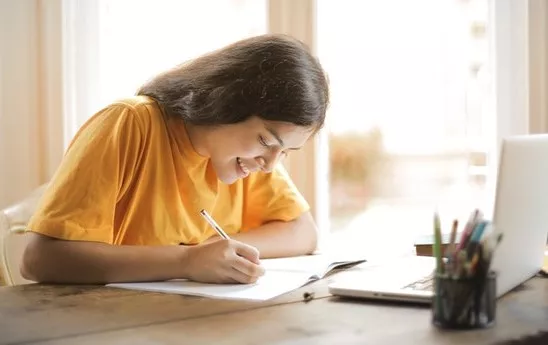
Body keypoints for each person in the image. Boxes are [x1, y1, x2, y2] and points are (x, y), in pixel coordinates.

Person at [21, 34, 329, 285]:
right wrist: (187, 261)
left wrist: (218, 251)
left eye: (285, 152)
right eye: (265, 141)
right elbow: (40, 259)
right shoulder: (129, 123)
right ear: (226, 102)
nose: (271, 164)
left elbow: (303, 232)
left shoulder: (248, 158)